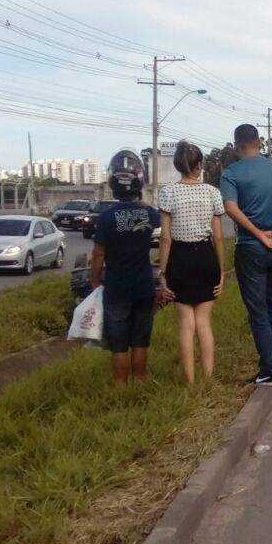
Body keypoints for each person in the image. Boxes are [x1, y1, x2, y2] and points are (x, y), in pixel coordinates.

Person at [220, 123, 272, 386]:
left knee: (257, 311)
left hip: (251, 247)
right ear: (259, 142)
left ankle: (269, 371)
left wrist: (258, 234)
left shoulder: (231, 173)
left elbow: (230, 208)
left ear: (237, 145)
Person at [89, 149, 161, 382]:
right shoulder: (150, 214)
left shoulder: (106, 218)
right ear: (140, 183)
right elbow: (167, 237)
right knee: (141, 341)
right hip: (143, 286)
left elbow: (98, 254)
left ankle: (121, 388)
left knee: (119, 345)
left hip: (116, 288)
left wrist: (95, 282)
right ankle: (140, 381)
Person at [158, 141, 226, 384]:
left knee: (186, 325)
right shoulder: (212, 192)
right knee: (204, 323)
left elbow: (165, 238)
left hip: (180, 258)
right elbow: (218, 237)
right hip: (206, 257)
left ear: (178, 166)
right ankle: (208, 378)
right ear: (200, 165)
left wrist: (162, 273)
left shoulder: (167, 192)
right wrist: (222, 272)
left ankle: (190, 381)